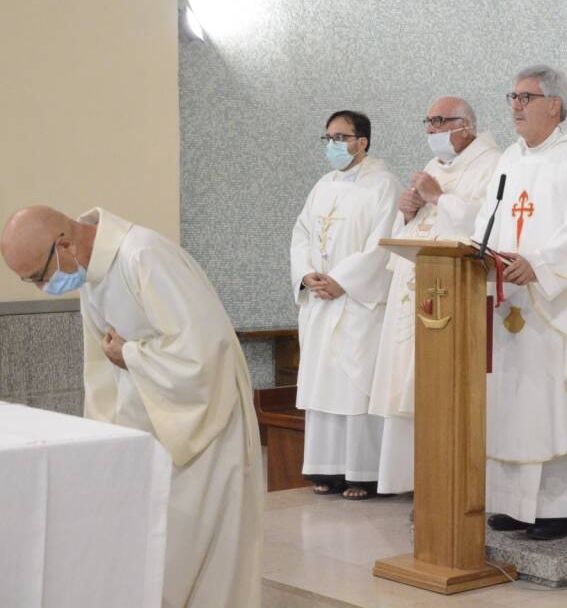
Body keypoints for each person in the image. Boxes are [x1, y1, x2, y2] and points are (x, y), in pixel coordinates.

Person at [1, 206, 263, 607]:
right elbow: (103, 368)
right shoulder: (93, 274)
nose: (42, 289)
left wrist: (133, 356)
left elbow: (206, 355)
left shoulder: (144, 256)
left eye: (39, 276)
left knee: (197, 563)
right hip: (153, 432)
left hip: (201, 431)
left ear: (64, 244)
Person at [473, 64, 567, 541]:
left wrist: (538, 263)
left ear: (555, 104)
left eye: (526, 97)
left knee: (552, 401)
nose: (516, 106)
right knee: (513, 403)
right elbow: (487, 219)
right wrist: (484, 258)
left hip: (555, 303)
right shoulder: (508, 160)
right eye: (512, 96)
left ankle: (560, 509)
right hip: (508, 297)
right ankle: (517, 504)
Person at [369, 96, 500, 494]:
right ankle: (413, 481)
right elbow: (414, 224)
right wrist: (408, 210)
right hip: (415, 279)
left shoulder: (493, 164)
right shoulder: (433, 166)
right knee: (406, 376)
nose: (431, 130)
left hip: (455, 285)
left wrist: (437, 198)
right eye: (427, 121)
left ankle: (449, 482)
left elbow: (487, 223)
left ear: (465, 125)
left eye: (440, 121)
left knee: (442, 382)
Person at [290, 110, 400, 500]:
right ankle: (327, 468)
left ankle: (362, 473)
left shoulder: (383, 185)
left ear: (362, 142)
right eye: (328, 139)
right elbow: (301, 232)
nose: (333, 146)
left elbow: (383, 242)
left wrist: (343, 280)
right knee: (324, 385)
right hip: (321, 302)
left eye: (340, 137)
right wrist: (306, 275)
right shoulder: (323, 185)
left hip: (357, 304)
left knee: (355, 385)